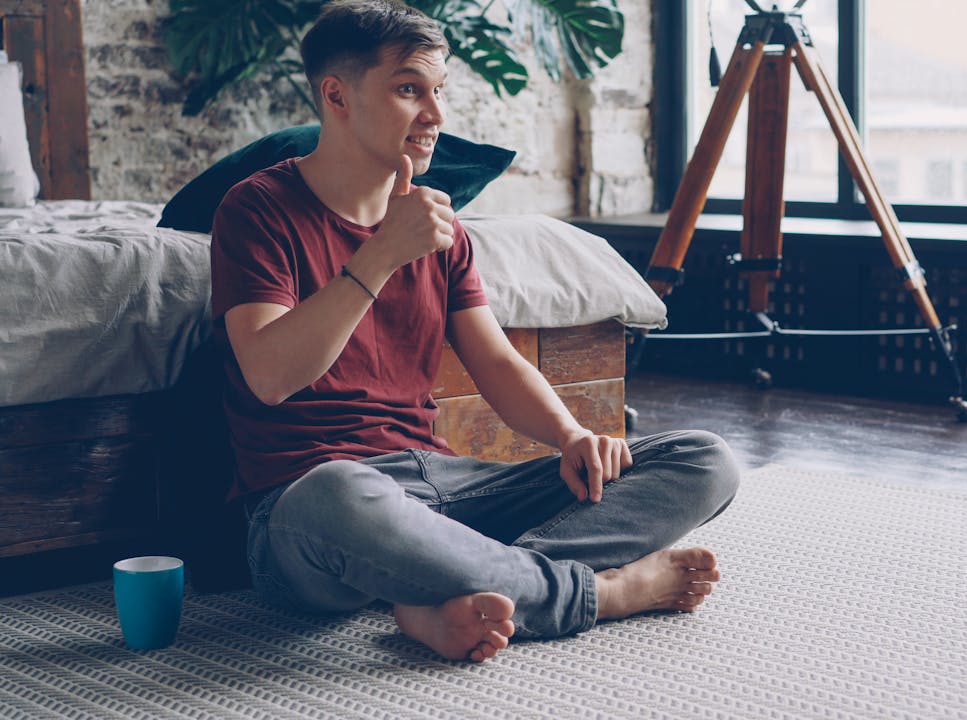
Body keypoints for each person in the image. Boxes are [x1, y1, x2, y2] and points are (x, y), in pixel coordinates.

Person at [209, 0, 739, 664]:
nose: (434, 114)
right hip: (310, 513)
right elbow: (269, 375)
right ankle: (599, 595)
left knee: (702, 459)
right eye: (409, 89)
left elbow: (496, 362)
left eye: (439, 92)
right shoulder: (257, 209)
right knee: (339, 491)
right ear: (337, 96)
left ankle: (443, 590)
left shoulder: (443, 228)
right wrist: (380, 255)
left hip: (446, 491)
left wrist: (572, 435)